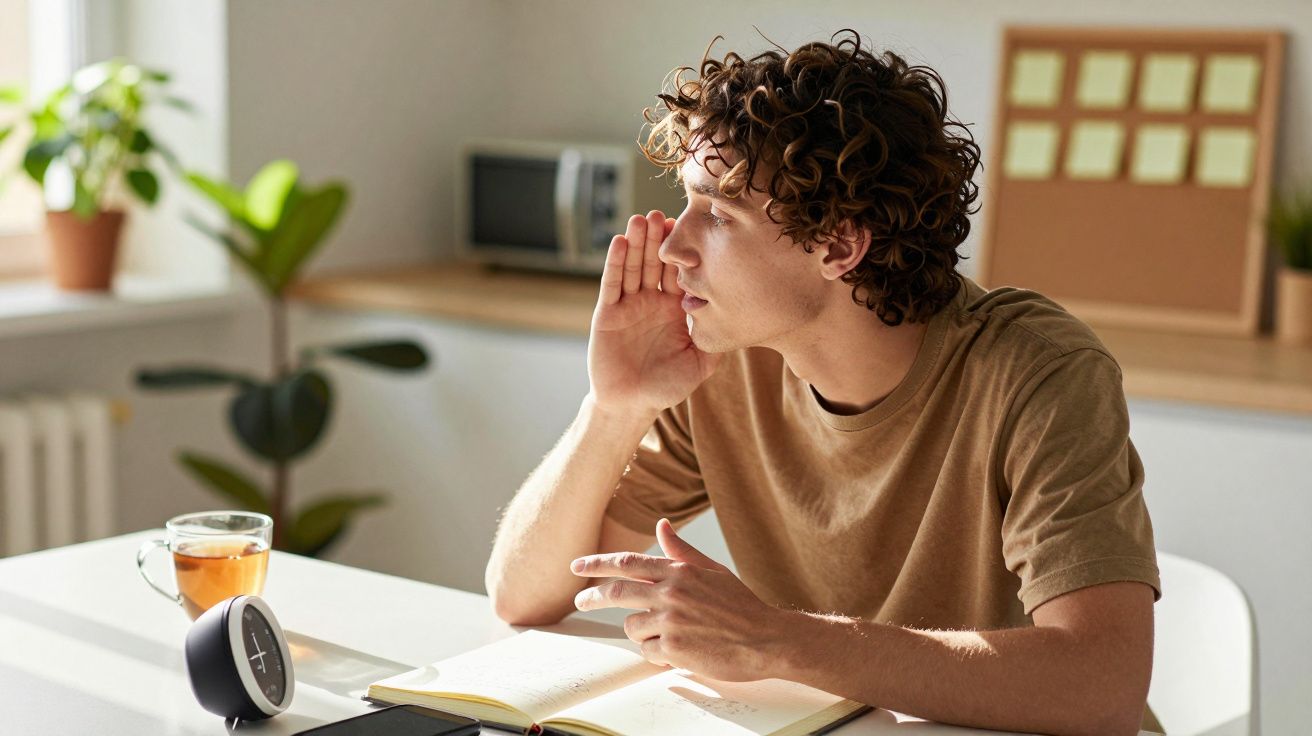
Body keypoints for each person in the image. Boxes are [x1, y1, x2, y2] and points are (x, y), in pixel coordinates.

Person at [485, 29, 1162, 736]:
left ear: (838, 245)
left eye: (717, 214)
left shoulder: (1036, 374)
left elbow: (1099, 686)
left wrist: (772, 639)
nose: (675, 246)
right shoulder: (726, 359)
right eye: (686, 203)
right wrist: (614, 408)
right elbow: (522, 597)